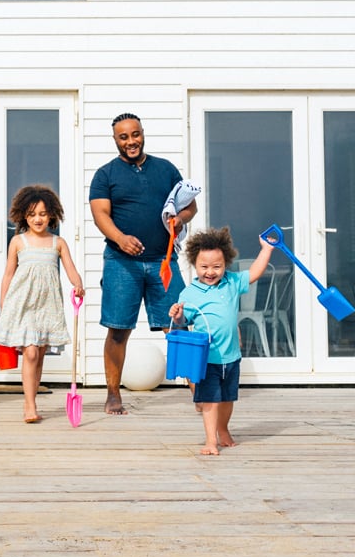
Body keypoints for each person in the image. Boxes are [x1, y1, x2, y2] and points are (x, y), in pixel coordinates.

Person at [89, 112, 197, 416]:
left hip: (164, 261)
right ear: (115, 140)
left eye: (135, 134)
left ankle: (197, 390)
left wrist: (181, 218)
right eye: (123, 137)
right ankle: (113, 394)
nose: (130, 141)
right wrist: (121, 238)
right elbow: (101, 215)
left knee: (178, 324)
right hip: (121, 263)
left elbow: (190, 205)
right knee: (119, 329)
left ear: (142, 133)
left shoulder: (165, 170)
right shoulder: (105, 174)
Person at [168, 226, 276, 456]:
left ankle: (223, 429)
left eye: (216, 266)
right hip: (207, 359)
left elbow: (255, 272)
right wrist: (177, 314)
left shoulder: (232, 282)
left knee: (227, 399)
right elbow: (182, 318)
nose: (210, 272)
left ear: (225, 263)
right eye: (204, 267)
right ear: (194, 265)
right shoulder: (190, 293)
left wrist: (267, 249)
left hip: (231, 356)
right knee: (210, 401)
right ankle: (210, 440)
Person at [0, 184, 85, 423]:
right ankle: (29, 405)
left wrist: (78, 285)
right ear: (24, 215)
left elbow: (71, 270)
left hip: (48, 305)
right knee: (31, 353)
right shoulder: (18, 242)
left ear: (52, 215)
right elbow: (8, 274)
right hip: (22, 302)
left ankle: (31, 397)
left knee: (40, 353)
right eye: (33, 214)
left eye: (43, 214)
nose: (38, 219)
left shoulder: (58, 243)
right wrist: (4, 303)